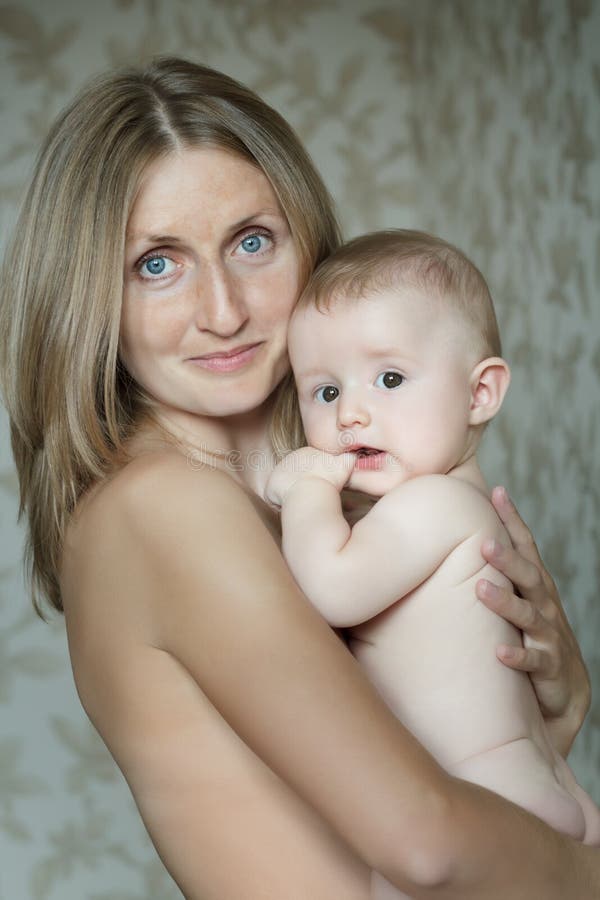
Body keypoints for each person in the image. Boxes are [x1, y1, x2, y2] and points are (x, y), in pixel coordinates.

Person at [0, 57, 598, 900]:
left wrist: (554, 702)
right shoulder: (163, 506)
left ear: (307, 241)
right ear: (86, 296)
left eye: (252, 242)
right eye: (156, 264)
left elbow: (459, 805)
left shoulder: (323, 504)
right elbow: (427, 843)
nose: (224, 310)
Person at [266, 230, 600, 896]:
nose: (352, 411)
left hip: (484, 800)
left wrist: (303, 489)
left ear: (480, 394)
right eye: (324, 392)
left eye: (390, 378)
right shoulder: (460, 507)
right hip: (536, 787)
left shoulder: (432, 506)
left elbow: (331, 588)